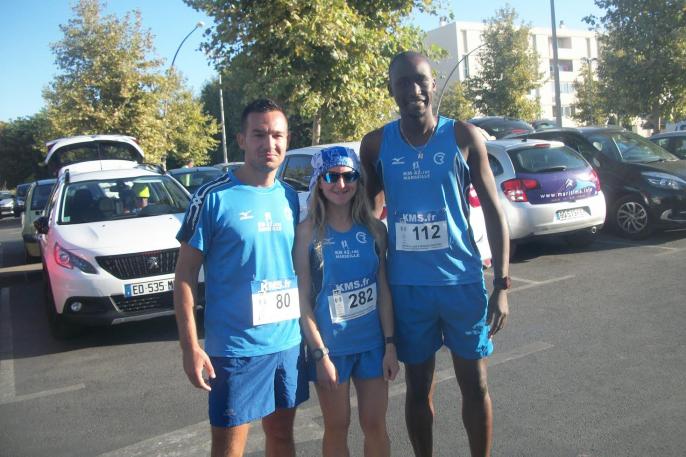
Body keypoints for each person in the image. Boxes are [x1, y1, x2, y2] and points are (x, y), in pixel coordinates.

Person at [359, 51, 511, 457]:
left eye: (420, 80)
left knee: (475, 385)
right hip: (408, 288)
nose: (413, 91)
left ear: (433, 82)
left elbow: (495, 212)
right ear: (391, 90)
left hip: (461, 283)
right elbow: (369, 216)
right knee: (417, 388)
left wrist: (502, 284)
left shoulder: (462, 136)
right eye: (402, 83)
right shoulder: (375, 144)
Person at [174, 98, 308, 457]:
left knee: (282, 436)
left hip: (286, 343)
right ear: (241, 139)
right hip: (235, 350)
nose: (270, 144)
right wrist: (190, 346)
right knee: (229, 448)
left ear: (288, 139)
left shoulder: (291, 197)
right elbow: (185, 274)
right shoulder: (212, 197)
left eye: (277, 135)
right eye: (259, 134)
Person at [293, 146, 399, 457]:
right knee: (337, 426)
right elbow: (302, 300)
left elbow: (383, 293)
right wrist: (319, 353)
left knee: (375, 424)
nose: (341, 185)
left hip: (372, 346)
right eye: (332, 177)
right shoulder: (307, 232)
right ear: (319, 182)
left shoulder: (375, 230)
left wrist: (390, 345)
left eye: (349, 176)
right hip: (331, 350)